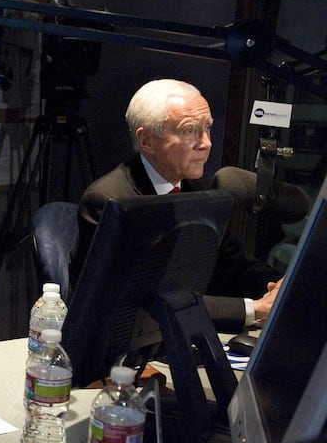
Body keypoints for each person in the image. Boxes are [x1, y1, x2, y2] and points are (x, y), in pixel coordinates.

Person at [69, 78, 282, 333]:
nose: (206, 143)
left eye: (208, 128)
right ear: (146, 141)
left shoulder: (193, 189)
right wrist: (253, 310)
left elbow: (234, 261)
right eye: (190, 130)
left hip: (182, 338)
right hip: (125, 350)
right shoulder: (109, 201)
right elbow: (148, 300)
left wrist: (280, 288)